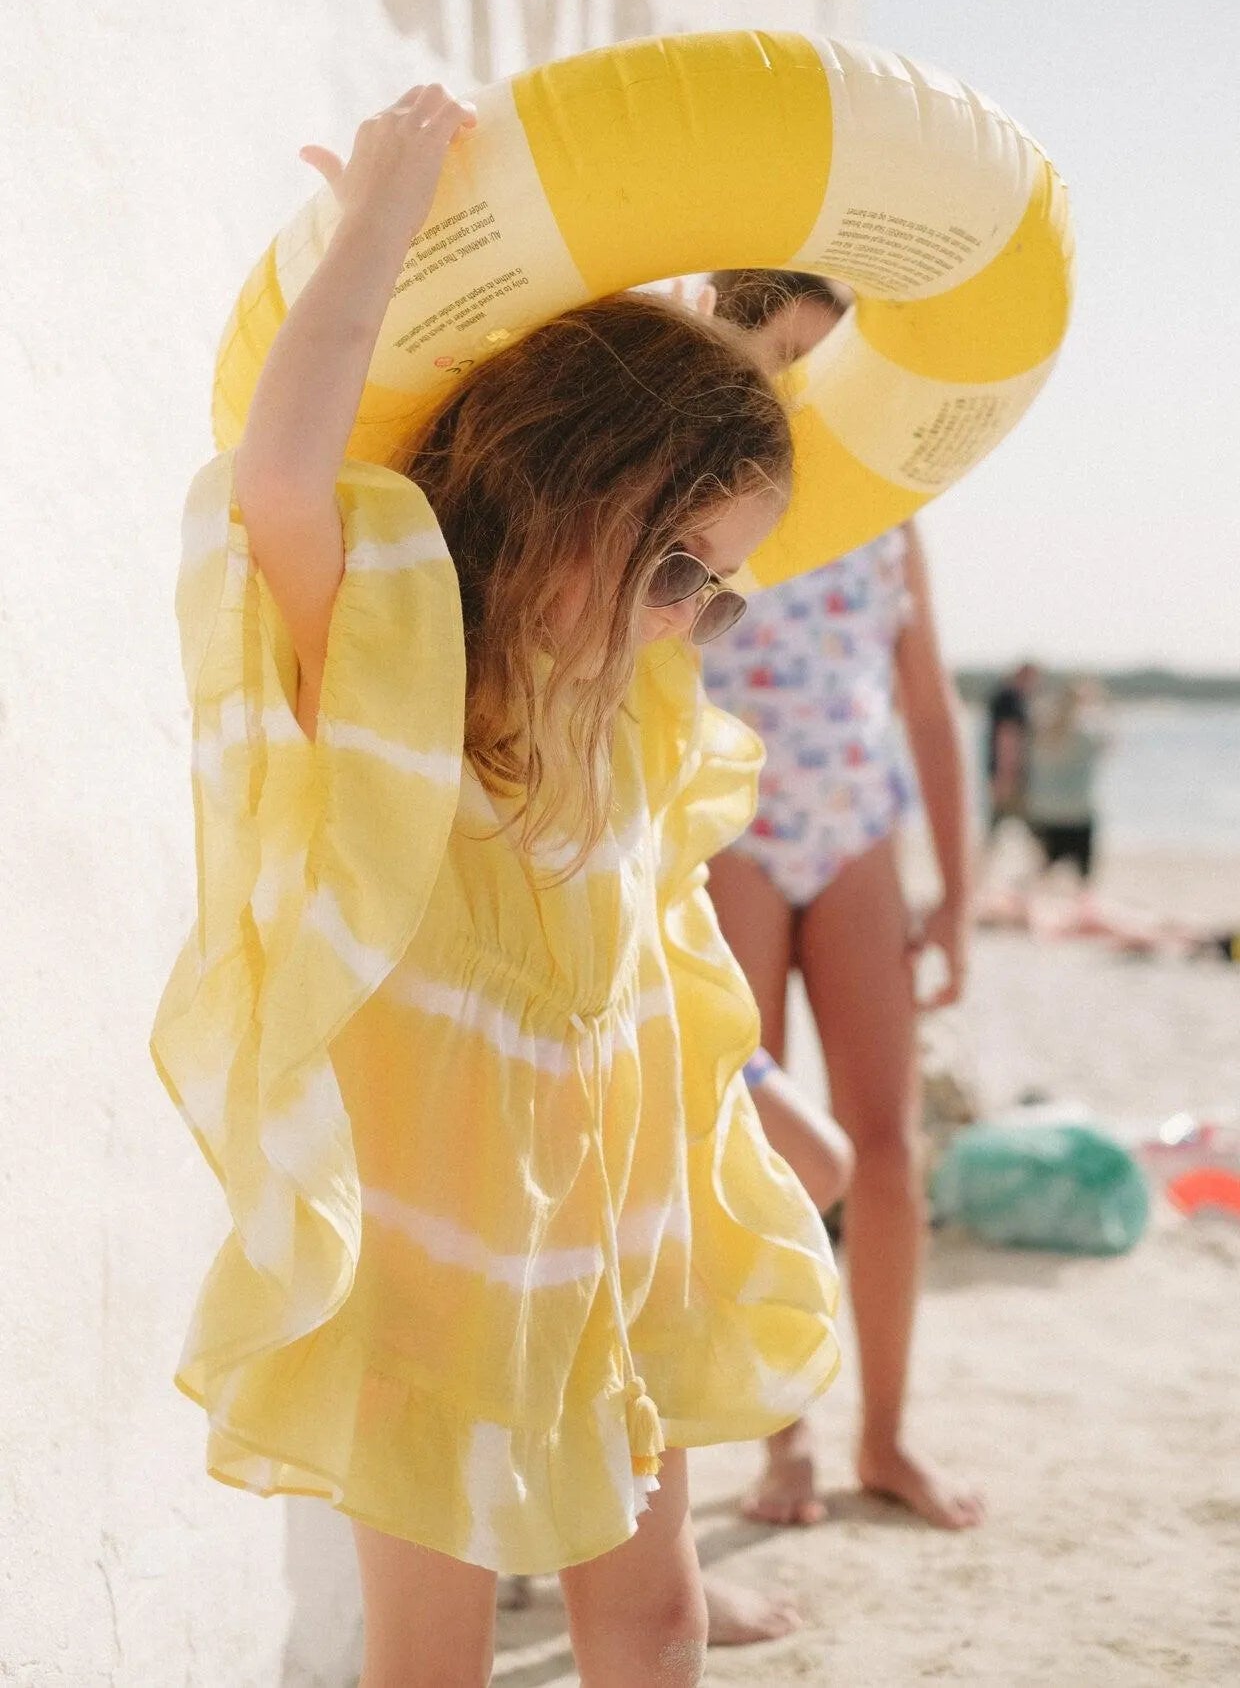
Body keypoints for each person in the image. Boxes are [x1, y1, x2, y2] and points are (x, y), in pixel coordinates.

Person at [151, 87, 842, 1688]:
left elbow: (651, 955)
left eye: (719, 592)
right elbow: (280, 479)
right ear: (568, 487)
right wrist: (383, 221)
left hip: (616, 1224)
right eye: (675, 566)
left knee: (656, 1619)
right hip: (443, 1259)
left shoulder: (630, 701)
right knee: (434, 1649)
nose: (687, 616)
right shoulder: (404, 656)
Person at [700, 268, 983, 1535]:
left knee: (885, 1145)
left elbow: (926, 705)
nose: (805, 377)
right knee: (758, 1146)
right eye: (785, 351)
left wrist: (959, 898)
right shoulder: (704, 485)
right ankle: (785, 1443)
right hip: (737, 836)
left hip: (859, 830)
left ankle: (885, 1433)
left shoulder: (885, 503)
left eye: (827, 352)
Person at [1024, 678, 1110, 880]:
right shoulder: (1086, 736)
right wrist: (1100, 708)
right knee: (1083, 878)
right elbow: (1111, 742)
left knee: (1043, 871)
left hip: (1043, 811)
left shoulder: (1043, 734)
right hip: (1077, 813)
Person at [985, 661, 1040, 831]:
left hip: (1006, 770)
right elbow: (1006, 738)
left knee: (998, 821)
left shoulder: (1012, 698)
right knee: (1006, 817)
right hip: (1008, 771)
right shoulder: (1010, 700)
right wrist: (1005, 773)